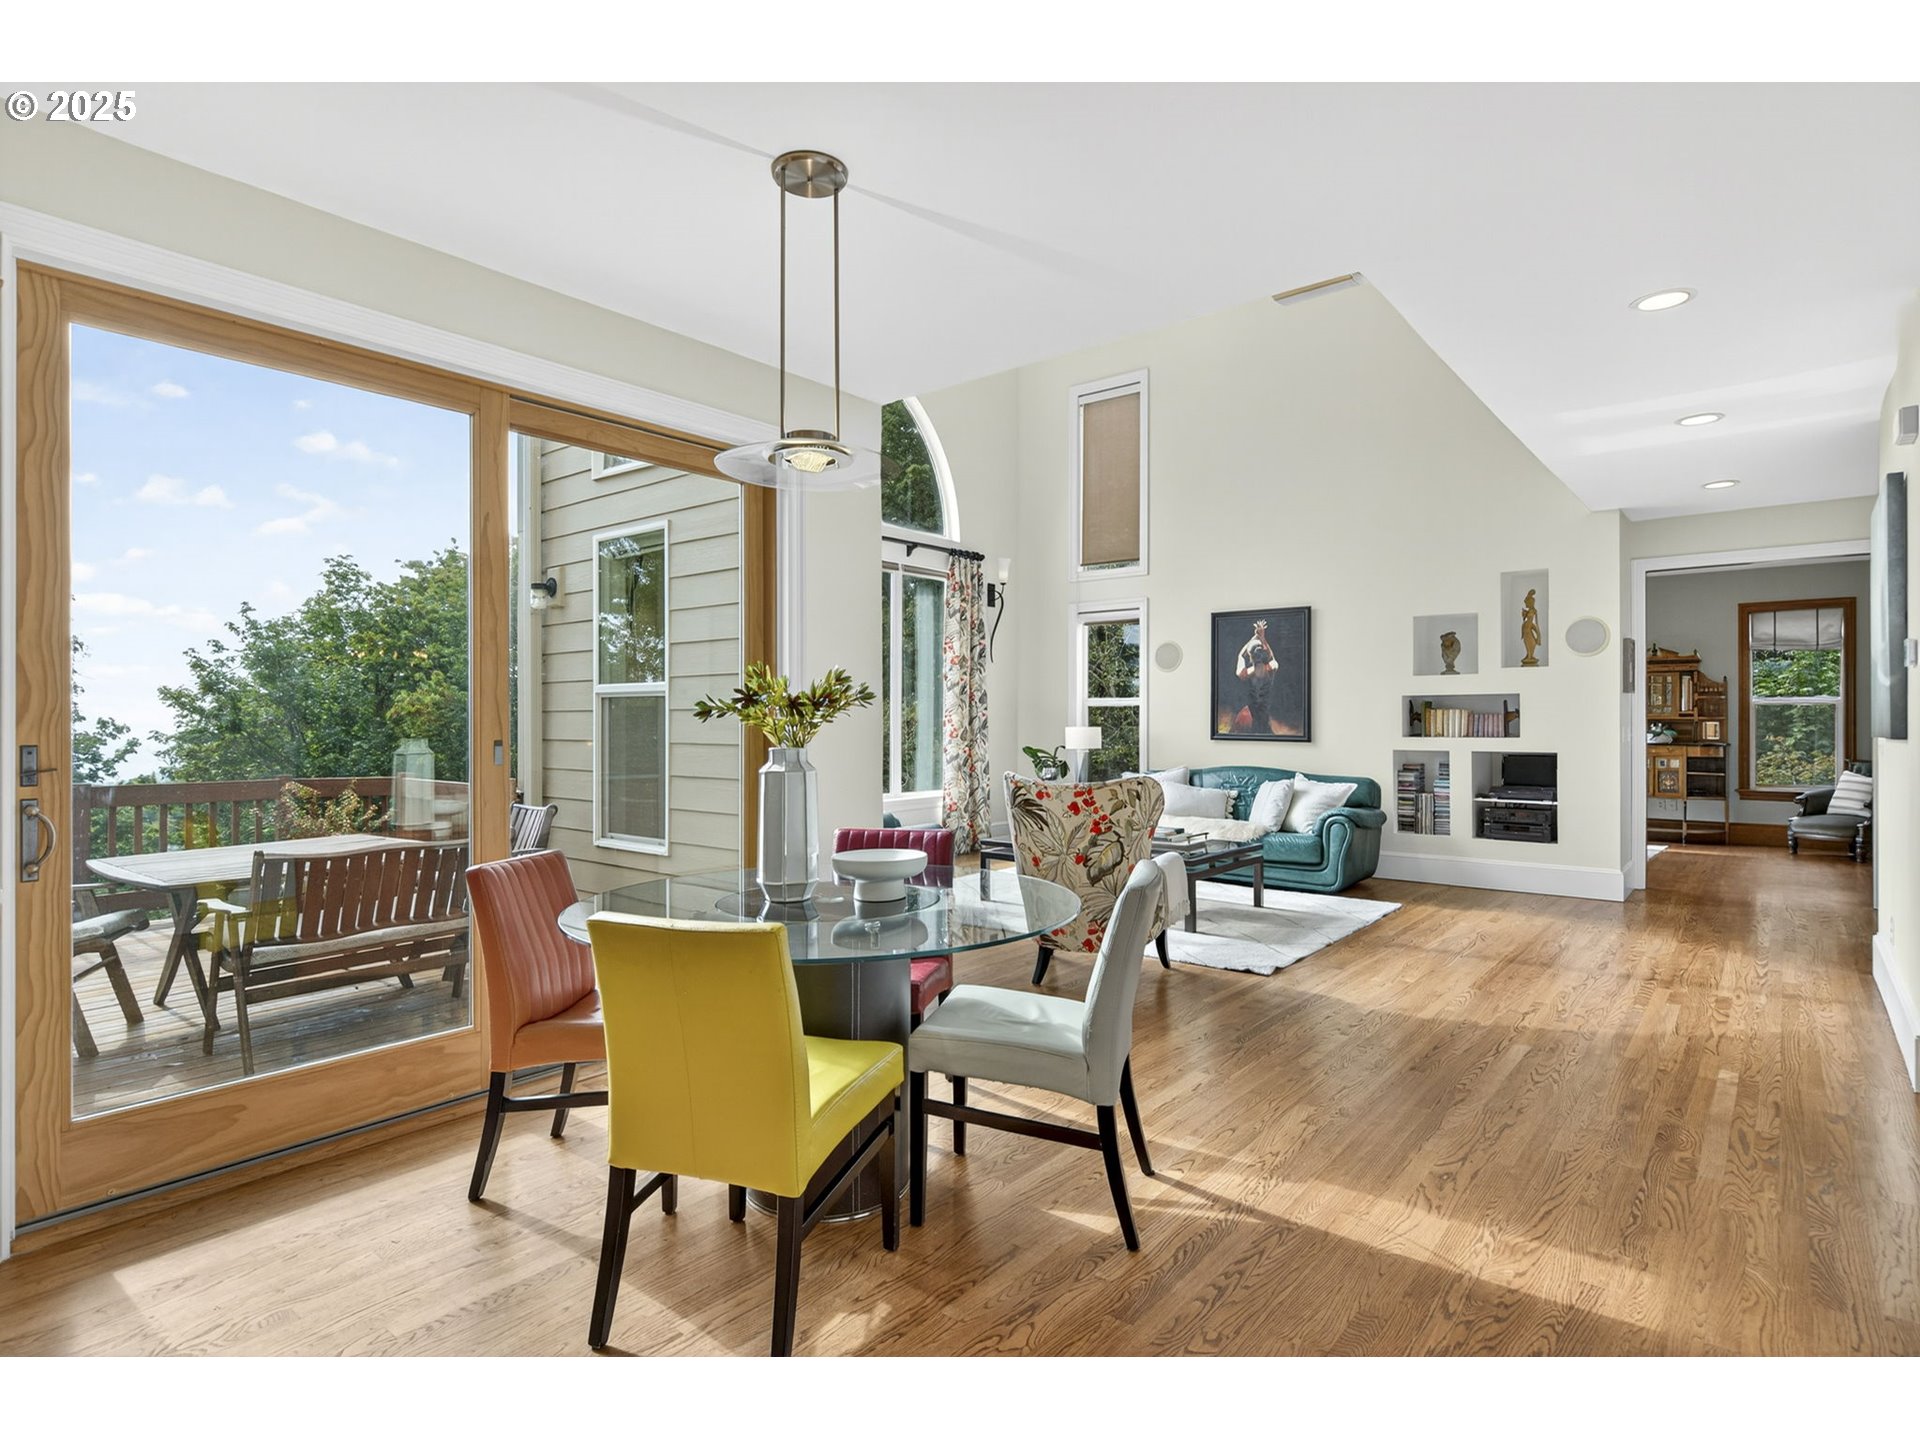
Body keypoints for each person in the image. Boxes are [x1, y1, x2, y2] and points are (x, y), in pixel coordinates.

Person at [1235, 618, 1280, 734]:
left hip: (1252, 712)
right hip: (1265, 709)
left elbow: (1240, 655)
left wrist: (1255, 637)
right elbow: (1271, 657)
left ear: (1250, 656)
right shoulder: (1271, 666)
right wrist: (1262, 637)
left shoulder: (1246, 673)